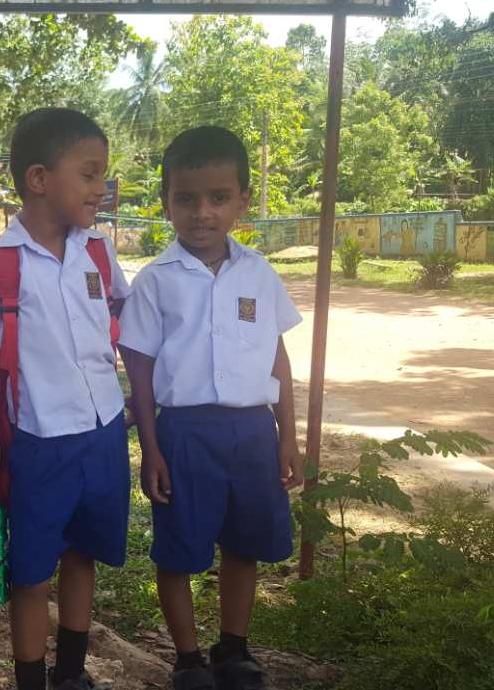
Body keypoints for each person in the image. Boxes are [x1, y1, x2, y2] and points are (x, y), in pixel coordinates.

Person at [119, 126, 305, 690]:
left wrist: (288, 436)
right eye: (187, 199)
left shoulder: (259, 273)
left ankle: (234, 650)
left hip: (252, 431)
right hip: (184, 433)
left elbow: (278, 358)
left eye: (219, 197)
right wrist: (151, 448)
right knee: (178, 549)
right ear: (166, 202)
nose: (202, 212)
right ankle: (187, 658)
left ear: (243, 200)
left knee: (244, 544)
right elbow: (140, 372)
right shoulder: (155, 282)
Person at [0, 108, 131, 690]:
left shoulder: (98, 252)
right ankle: (30, 679)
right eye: (89, 173)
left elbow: (125, 321)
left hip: (103, 432)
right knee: (31, 574)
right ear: (38, 179)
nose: (101, 188)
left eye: (102, 174)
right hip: (39, 441)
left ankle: (71, 674)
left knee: (83, 554)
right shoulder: (0, 259)